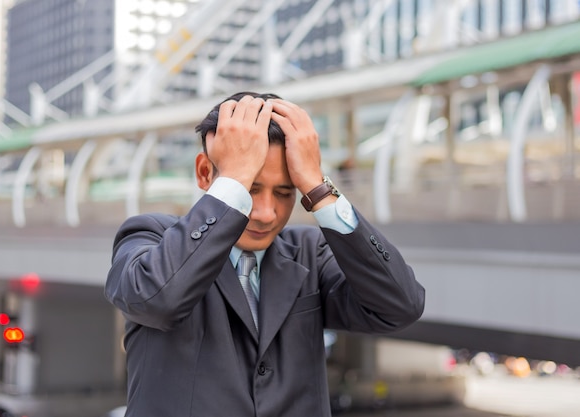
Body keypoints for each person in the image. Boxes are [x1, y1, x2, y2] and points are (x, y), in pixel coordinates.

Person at [105, 92, 425, 417]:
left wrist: (318, 186)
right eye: (250, 189)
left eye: (285, 192)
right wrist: (233, 178)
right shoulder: (149, 238)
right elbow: (158, 299)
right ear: (205, 173)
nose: (266, 213)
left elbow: (400, 306)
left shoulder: (308, 253)